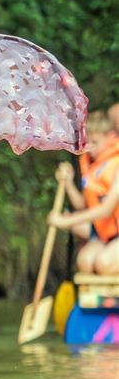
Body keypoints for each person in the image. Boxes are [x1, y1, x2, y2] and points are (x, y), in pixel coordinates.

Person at [49, 108, 119, 275]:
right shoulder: (90, 165)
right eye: (88, 143)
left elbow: (106, 209)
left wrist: (67, 221)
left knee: (104, 264)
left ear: (110, 138)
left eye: (95, 142)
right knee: (85, 262)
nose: (90, 148)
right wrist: (67, 183)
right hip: (102, 234)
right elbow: (83, 205)